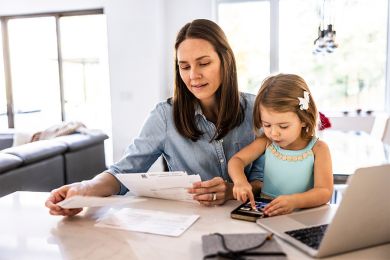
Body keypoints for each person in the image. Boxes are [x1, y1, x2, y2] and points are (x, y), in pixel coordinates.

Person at [45, 19, 264, 216]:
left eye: (204, 63)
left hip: (247, 218)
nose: (193, 75)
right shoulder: (164, 115)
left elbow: (265, 179)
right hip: (191, 223)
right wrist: (83, 189)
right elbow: (123, 171)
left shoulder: (256, 109)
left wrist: (231, 190)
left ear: (225, 60)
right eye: (184, 66)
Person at [228, 73, 333, 217]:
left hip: (304, 216)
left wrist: (294, 201)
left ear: (304, 120)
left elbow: (324, 192)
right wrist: (240, 182)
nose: (274, 133)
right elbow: (236, 161)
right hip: (268, 213)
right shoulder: (266, 142)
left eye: (283, 126)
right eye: (267, 125)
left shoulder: (318, 149)